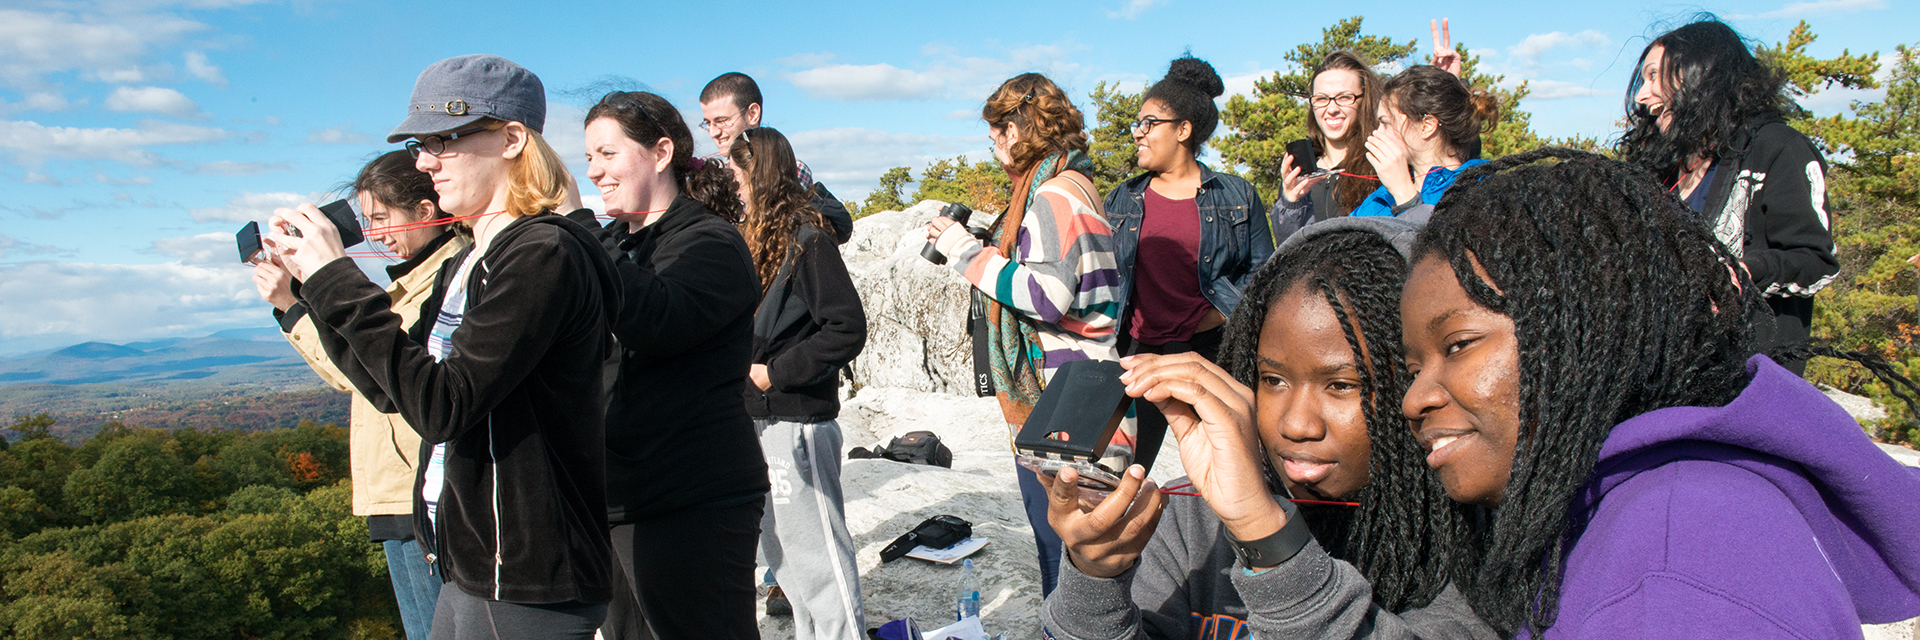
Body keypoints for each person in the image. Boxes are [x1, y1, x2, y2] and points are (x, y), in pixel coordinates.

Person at [1124, 148, 1920, 638]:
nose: (1411, 397)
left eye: (1458, 346)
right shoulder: (1604, 511)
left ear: (1582, 331)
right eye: (1410, 362)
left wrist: (1268, 536)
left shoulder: (1683, 555)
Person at [266, 54, 618, 639]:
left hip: (527, 569)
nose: (424, 161)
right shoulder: (470, 259)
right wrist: (313, 291)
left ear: (511, 139)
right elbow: (392, 389)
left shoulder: (542, 254)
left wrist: (336, 278)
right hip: (472, 560)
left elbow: (443, 406)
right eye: (417, 145)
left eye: (442, 140)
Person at [1039, 216, 1493, 640]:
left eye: (1341, 385)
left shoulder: (1470, 541)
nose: (1296, 425)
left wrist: (1266, 536)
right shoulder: (1192, 519)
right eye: (1273, 380)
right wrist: (1095, 580)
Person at [252, 149, 470, 640]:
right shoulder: (409, 286)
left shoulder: (443, 282)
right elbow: (355, 372)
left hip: (413, 486)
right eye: (366, 221)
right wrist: (298, 301)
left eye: (381, 217)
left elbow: (374, 380)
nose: (375, 234)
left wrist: (297, 301)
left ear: (425, 212)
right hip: (402, 485)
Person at [575, 90, 769, 640]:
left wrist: (578, 225)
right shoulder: (615, 243)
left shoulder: (711, 242)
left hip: (694, 497)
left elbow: (657, 320)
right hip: (616, 494)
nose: (594, 172)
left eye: (607, 154)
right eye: (589, 158)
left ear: (661, 152)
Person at [920, 72, 1123, 596]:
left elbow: (1046, 298)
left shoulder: (1054, 195)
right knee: (1081, 551)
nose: (992, 144)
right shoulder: (1071, 186)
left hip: (1066, 399)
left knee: (1068, 550)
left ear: (1019, 127)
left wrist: (966, 251)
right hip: (1081, 387)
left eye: (996, 131)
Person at [1619, 18, 1838, 375]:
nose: (1643, 96)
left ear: (1702, 75)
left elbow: (1816, 262)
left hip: (1748, 383)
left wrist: (1745, 272)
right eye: (1643, 80)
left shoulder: (1778, 149)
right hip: (1665, 379)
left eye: (1655, 76)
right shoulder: (1661, 169)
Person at [1103, 55, 1274, 475]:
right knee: (1123, 471)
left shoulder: (1236, 194)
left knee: (1228, 470)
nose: (1138, 134)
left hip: (1211, 356)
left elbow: (1265, 276)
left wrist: (1216, 317)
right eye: (1136, 124)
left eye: (1148, 123)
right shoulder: (1122, 199)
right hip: (1136, 357)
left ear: (1183, 130)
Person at [731, 126, 869, 640]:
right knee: (782, 552)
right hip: (759, 419)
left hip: (796, 420)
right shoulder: (763, 240)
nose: (736, 187)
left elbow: (847, 326)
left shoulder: (810, 241)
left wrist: (775, 373)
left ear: (760, 175)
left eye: (740, 176)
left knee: (818, 555)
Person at [700, 72, 855, 243]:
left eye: (722, 120)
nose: (713, 132)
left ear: (752, 114)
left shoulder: (790, 169)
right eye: (707, 123)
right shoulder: (710, 174)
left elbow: (781, 234)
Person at [1348, 65, 1495, 220]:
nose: (1376, 134)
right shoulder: (1380, 198)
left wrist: (1405, 195)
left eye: (1385, 123)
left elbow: (1443, 242)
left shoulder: (1480, 190)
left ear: (1427, 126)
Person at [1272, 51, 1387, 240]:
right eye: (1322, 99)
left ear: (1364, 101)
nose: (1332, 109)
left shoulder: (1383, 164)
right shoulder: (1299, 175)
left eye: (1344, 97)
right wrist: (1290, 204)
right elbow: (1287, 250)